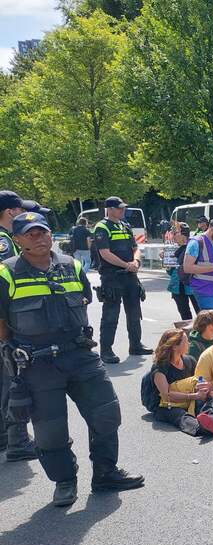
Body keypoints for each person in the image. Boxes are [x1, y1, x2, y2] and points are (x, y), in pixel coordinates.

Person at [0, 211, 144, 507]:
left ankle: (105, 473)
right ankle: (65, 481)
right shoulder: (6, 273)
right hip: (37, 363)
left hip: (79, 355)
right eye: (30, 234)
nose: (39, 238)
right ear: (17, 239)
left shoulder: (72, 265)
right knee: (50, 430)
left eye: (43, 232)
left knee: (106, 413)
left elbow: (84, 302)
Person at [0, 190, 35, 461]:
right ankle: (16, 440)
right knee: (13, 382)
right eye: (22, 212)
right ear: (11, 212)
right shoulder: (4, 241)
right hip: (7, 323)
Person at [94, 196, 151, 363]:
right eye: (119, 208)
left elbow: (135, 248)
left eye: (123, 207)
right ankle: (106, 351)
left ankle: (135, 345)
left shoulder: (125, 225)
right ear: (110, 209)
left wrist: (136, 261)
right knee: (111, 315)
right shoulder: (102, 227)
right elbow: (105, 253)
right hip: (112, 277)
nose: (123, 210)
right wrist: (126, 265)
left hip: (130, 276)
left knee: (134, 313)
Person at [151, 328, 210, 437]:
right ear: (174, 346)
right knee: (180, 415)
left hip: (189, 400)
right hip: (166, 406)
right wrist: (194, 396)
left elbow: (198, 380)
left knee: (205, 405)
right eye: (185, 341)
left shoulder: (189, 360)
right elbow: (167, 396)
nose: (189, 344)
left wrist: (204, 387)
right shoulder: (160, 368)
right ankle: (200, 428)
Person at [183, 216, 213, 314]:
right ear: (212, 229)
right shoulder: (195, 242)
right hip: (204, 290)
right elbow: (187, 267)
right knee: (212, 321)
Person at [165, 223, 199, 321]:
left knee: (202, 314)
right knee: (184, 316)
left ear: (183, 234)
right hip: (177, 287)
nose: (172, 236)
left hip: (193, 285)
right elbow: (171, 272)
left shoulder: (194, 245)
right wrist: (166, 262)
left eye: (174, 233)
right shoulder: (173, 249)